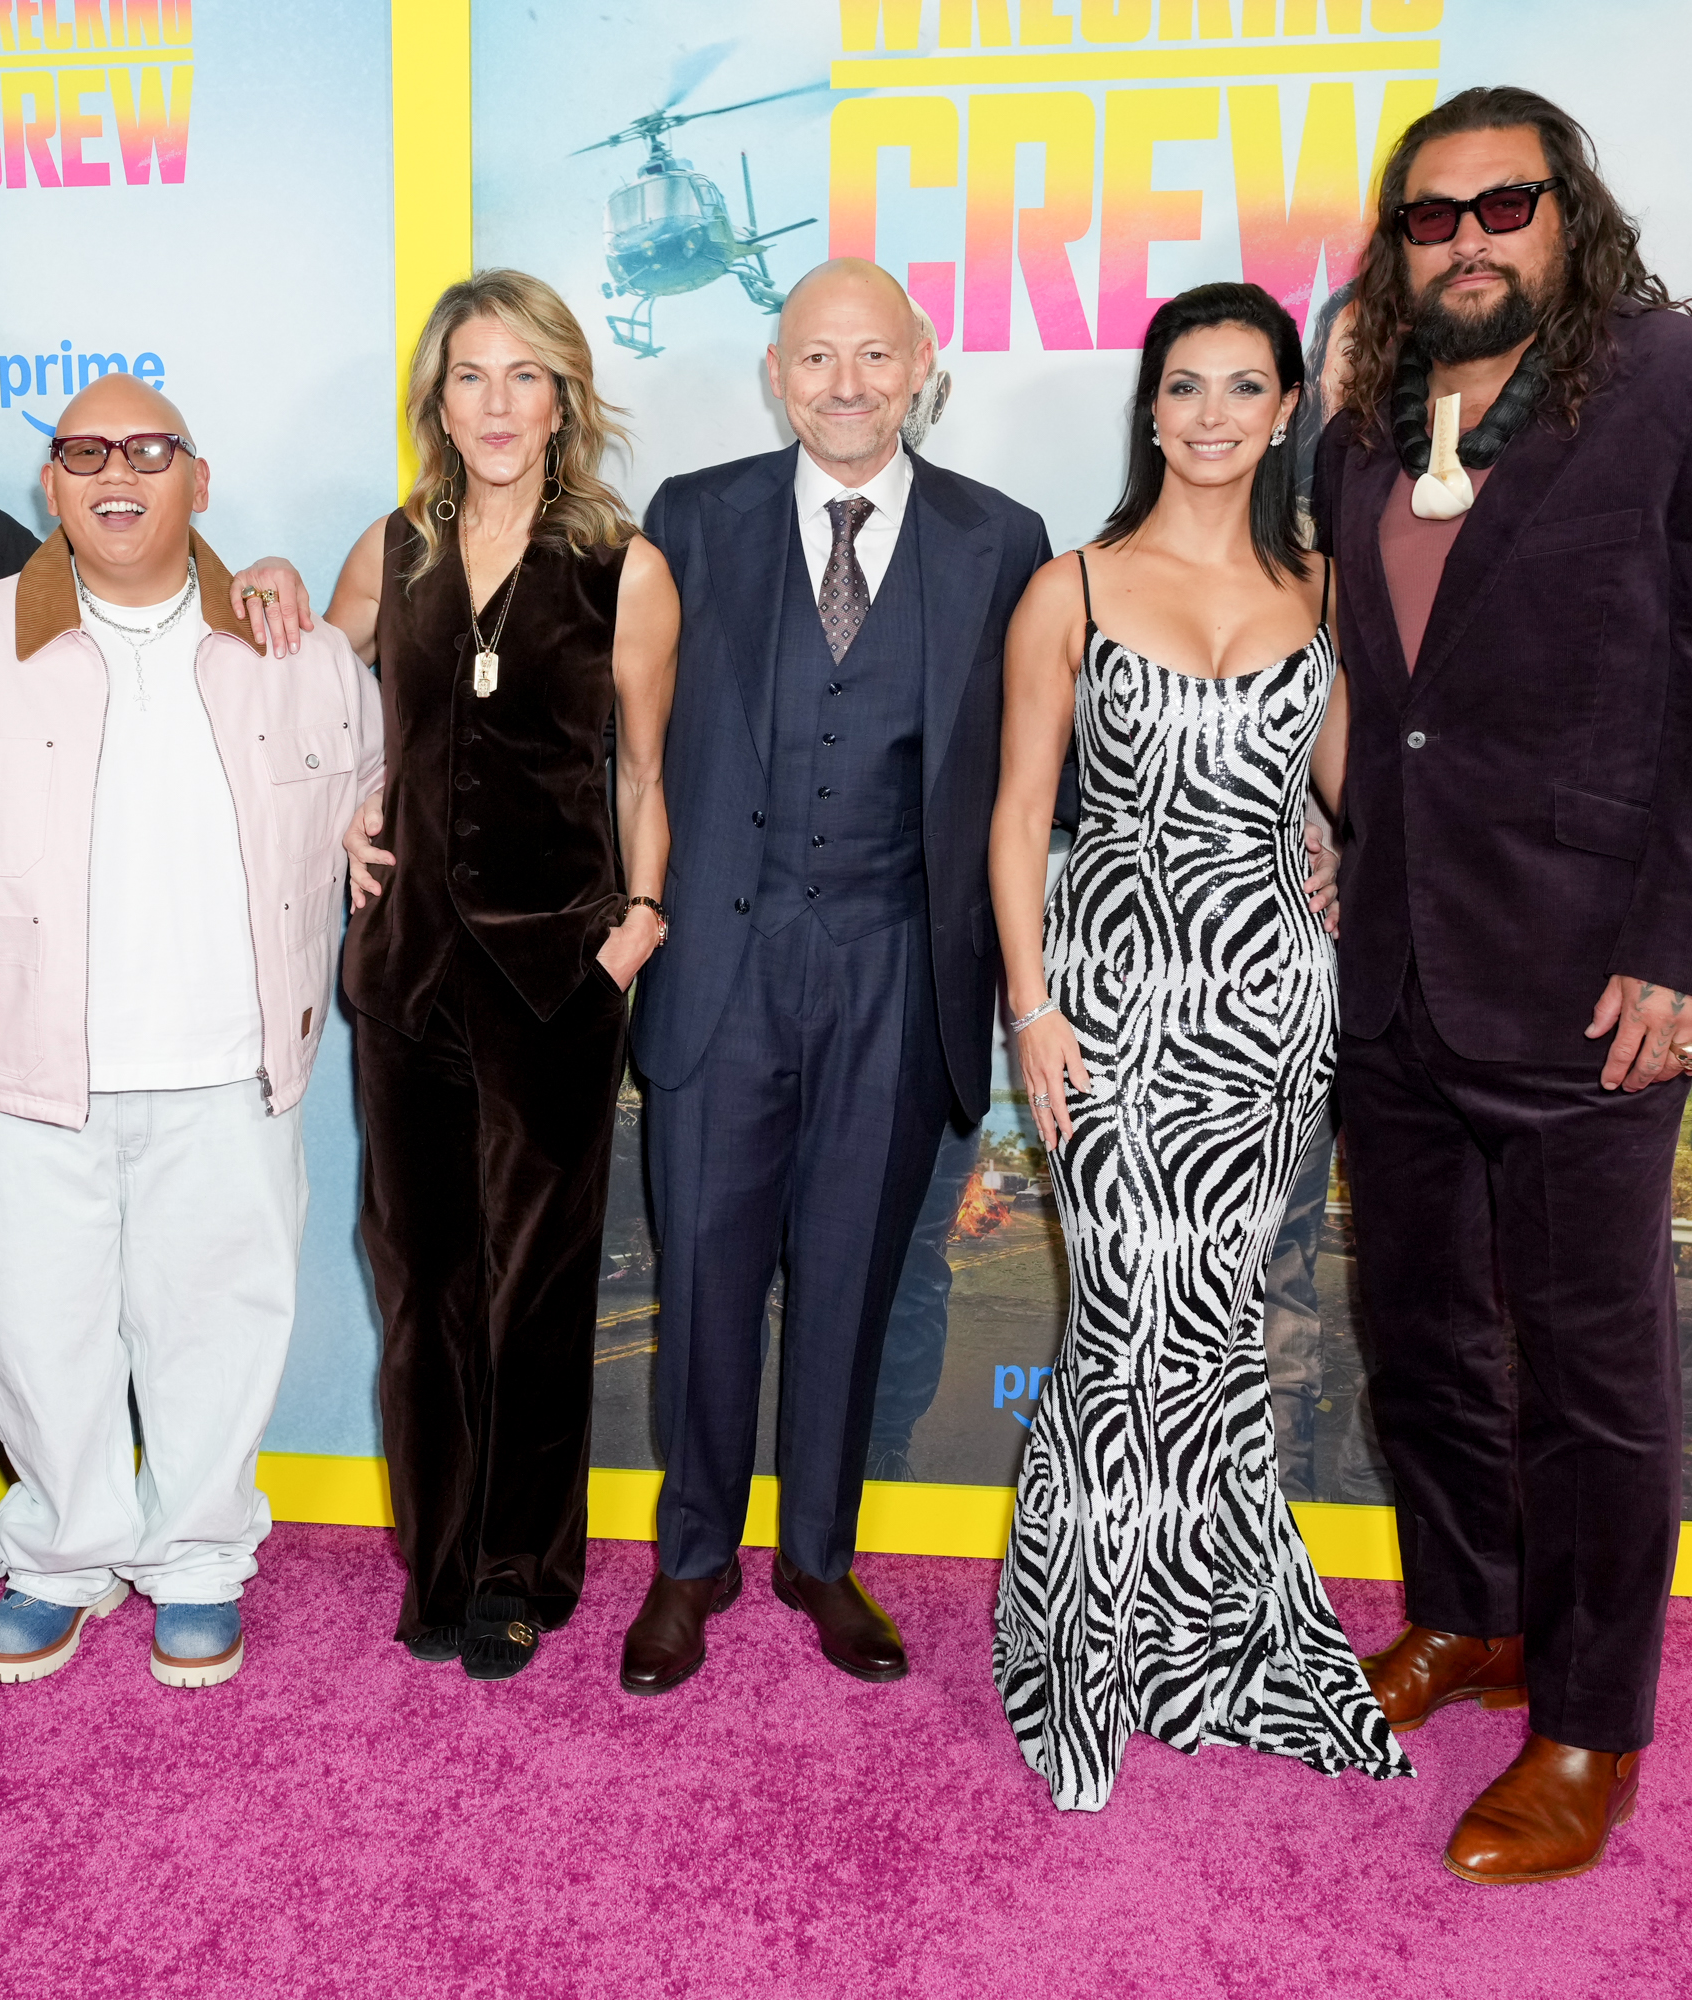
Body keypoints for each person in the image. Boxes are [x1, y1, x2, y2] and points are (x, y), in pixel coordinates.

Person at [1314, 87, 1692, 1882]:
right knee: (1421, 1338)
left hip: (1597, 976)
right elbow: (1386, 693)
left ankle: (1594, 1724)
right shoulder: (1363, 427)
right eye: (1430, 217)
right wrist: (1340, 833)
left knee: (1595, 1377)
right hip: (1393, 968)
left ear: (1569, 212)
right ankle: (1471, 1617)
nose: (1466, 239)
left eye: (1502, 205)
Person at [0, 374, 378, 1689]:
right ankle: (60, 1558)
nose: (115, 471)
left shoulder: (295, 651)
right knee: (37, 1335)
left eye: (148, 448)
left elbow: (368, 797)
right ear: (53, 487)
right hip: (21, 1081)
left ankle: (199, 1561)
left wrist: (373, 838)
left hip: (229, 1069)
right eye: (84, 451)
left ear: (198, 476)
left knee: (218, 1329)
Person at [985, 280, 1407, 1812]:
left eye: (1245, 387)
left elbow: (1366, 792)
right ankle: (1077, 1657)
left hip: (1269, 1015)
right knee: (1118, 1327)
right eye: (1186, 387)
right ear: (1149, 409)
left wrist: (1350, 859)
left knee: (1213, 1333)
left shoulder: (1328, 591)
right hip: (1101, 1010)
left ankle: (1215, 1641)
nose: (1214, 415)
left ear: (1288, 408)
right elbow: (1021, 817)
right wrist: (1031, 1010)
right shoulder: (1071, 589)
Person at [618, 259, 1050, 1695]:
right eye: (818, 358)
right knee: (708, 1280)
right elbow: (614, 735)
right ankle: (692, 1563)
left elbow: (1040, 776)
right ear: (775, 371)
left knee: (860, 1281)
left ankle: (819, 1555)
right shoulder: (689, 517)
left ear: (925, 360)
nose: (847, 384)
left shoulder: (1004, 540)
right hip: (722, 966)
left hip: (899, 967)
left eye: (875, 356)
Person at [327, 271, 679, 1679]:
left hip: (556, 970)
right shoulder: (392, 547)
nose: (496, 403)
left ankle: (522, 1566)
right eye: (471, 374)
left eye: (524, 375)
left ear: (564, 398)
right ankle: (443, 1553)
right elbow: (292, 702)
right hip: (407, 970)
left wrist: (639, 916)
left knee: (538, 1281)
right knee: (422, 1277)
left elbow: (646, 765)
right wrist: (345, 807)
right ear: (438, 396)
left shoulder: (623, 564)